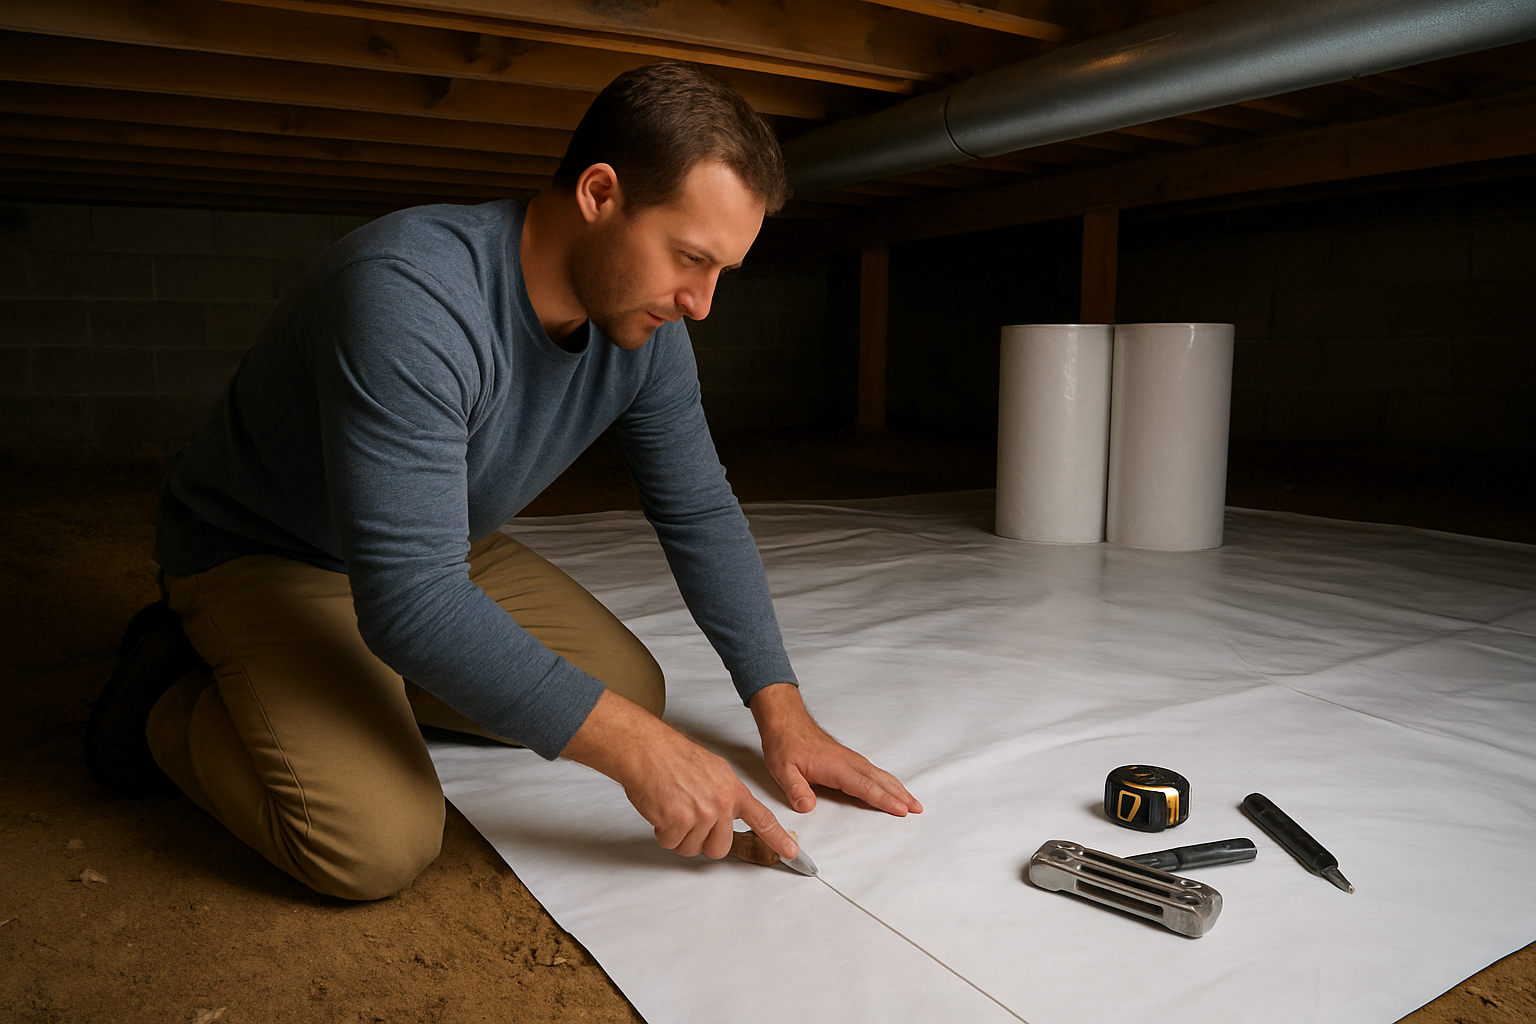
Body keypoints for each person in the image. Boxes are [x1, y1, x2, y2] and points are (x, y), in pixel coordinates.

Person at [86, 60, 921, 901]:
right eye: (689, 258)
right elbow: (411, 600)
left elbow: (698, 508)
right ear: (599, 193)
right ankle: (174, 702)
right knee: (376, 846)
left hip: (431, 546)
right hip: (263, 553)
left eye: (722, 274)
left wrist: (781, 710)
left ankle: (366, 678)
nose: (702, 304)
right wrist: (639, 752)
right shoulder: (410, 295)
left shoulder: (651, 327)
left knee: (632, 690)